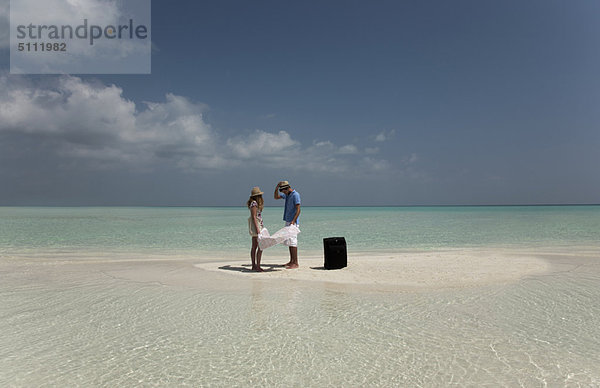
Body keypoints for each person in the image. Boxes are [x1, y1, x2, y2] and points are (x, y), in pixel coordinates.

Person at [274, 180, 301, 269]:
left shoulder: (295, 195)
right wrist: (277, 187)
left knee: (293, 242)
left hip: (293, 222)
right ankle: (291, 261)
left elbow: (298, 210)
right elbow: (276, 197)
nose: (283, 193)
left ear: (287, 188)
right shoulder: (287, 195)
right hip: (288, 221)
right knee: (289, 242)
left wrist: (293, 221)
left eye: (283, 191)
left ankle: (295, 263)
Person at [247, 186, 265, 272]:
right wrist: (258, 230)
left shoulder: (253, 203)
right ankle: (257, 266)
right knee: (259, 246)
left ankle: (254, 265)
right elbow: (254, 217)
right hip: (256, 227)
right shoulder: (254, 203)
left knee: (254, 246)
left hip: (256, 226)